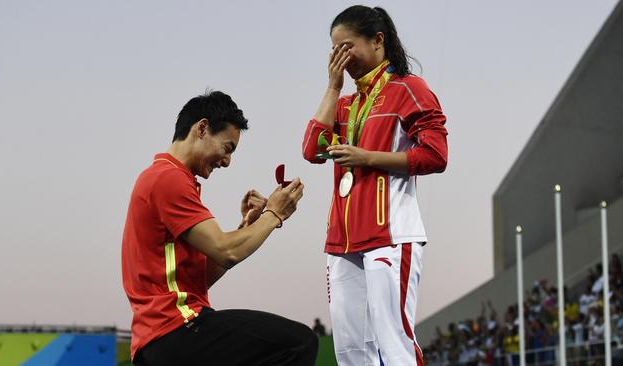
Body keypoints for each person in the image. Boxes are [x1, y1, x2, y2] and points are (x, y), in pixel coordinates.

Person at [122, 90, 317, 365]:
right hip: (177, 329)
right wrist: (274, 214)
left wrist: (245, 227)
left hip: (160, 343)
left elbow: (203, 276)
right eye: (227, 148)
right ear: (202, 128)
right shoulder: (168, 179)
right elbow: (227, 251)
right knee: (298, 343)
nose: (226, 161)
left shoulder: (164, 178)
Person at [301, 5, 448, 365]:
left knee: (395, 343)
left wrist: (368, 158)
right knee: (350, 351)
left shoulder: (409, 90)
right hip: (341, 240)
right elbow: (311, 150)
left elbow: (436, 156)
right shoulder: (346, 104)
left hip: (391, 234)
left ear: (378, 41)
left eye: (347, 47)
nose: (340, 58)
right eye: (334, 50)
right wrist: (333, 87)